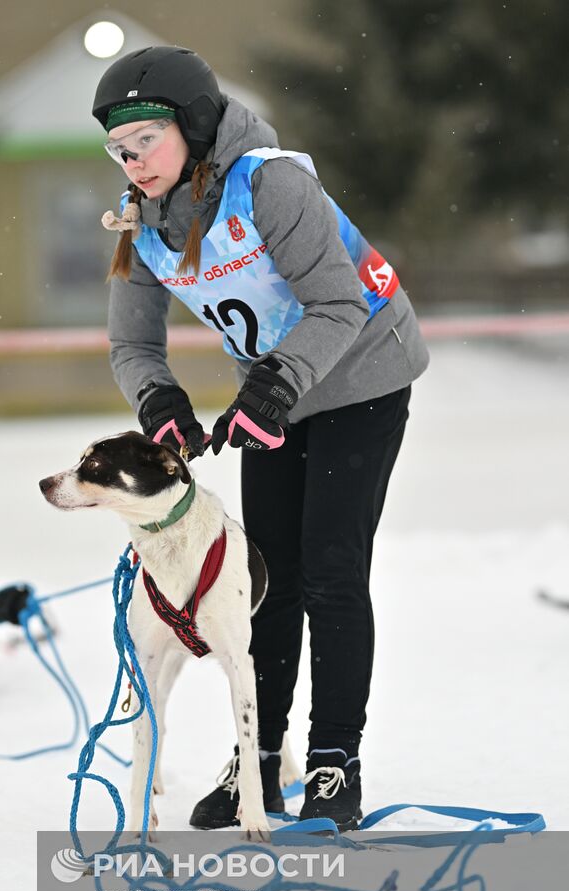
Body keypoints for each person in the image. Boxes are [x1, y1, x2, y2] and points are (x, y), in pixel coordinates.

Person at [92, 45, 429, 831]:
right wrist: (161, 403)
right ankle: (258, 762)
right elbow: (131, 347)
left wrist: (273, 386)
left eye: (145, 139)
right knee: (263, 579)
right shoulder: (142, 221)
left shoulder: (271, 182)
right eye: (118, 148)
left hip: (365, 372)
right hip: (281, 390)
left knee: (332, 571)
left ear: (196, 125)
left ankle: (332, 762)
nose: (132, 161)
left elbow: (339, 306)